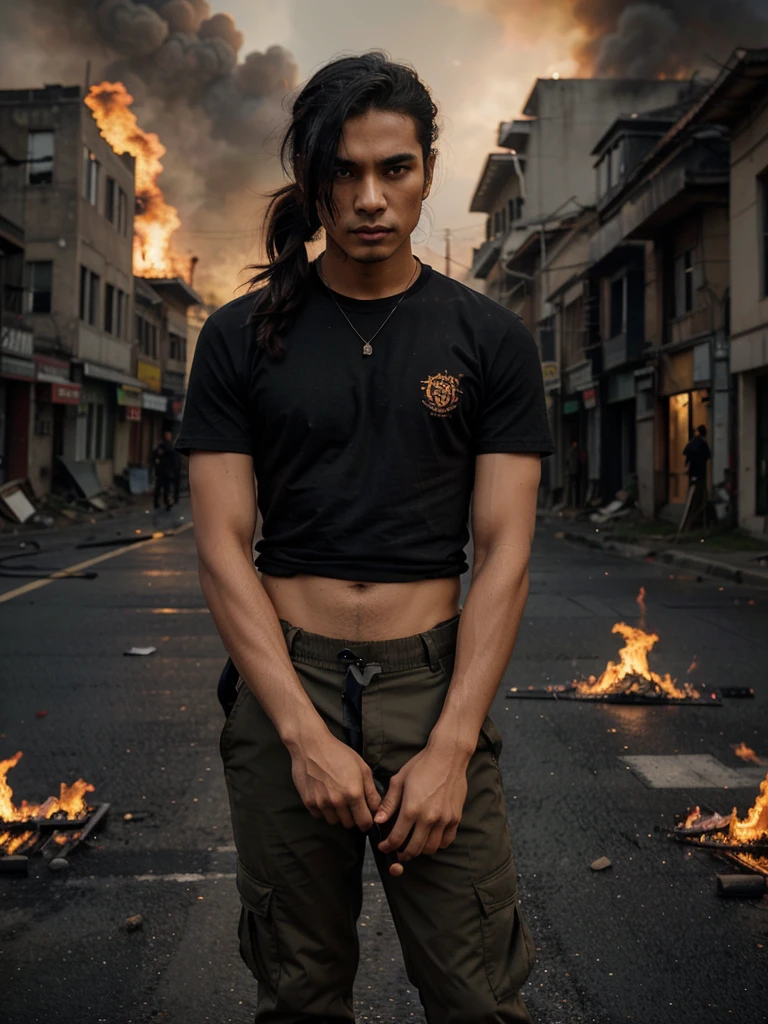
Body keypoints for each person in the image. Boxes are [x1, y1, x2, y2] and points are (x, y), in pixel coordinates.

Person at [177, 52, 553, 1024]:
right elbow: (221, 545)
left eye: (394, 169)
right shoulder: (238, 336)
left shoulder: (489, 339)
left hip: (429, 683)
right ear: (311, 178)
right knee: (299, 994)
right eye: (344, 172)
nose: (371, 197)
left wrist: (452, 744)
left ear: (427, 168)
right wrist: (301, 733)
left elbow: (505, 550)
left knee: (477, 995)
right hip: (284, 685)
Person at [683, 424, 711, 528]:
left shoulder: (693, 443)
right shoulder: (703, 444)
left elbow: (687, 456)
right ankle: (700, 519)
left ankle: (692, 519)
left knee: (692, 494)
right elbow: (707, 456)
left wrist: (687, 465)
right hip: (700, 473)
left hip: (693, 472)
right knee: (701, 494)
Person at [152, 430, 175, 511]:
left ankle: (164, 503)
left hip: (166, 470)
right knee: (162, 487)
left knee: (164, 488)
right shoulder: (163, 445)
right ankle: (160, 503)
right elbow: (156, 455)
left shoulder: (165, 445)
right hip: (163, 470)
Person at [565, 440, 580, 507]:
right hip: (572, 472)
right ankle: (570, 504)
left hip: (574, 472)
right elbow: (568, 462)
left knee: (573, 488)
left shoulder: (573, 453)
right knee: (571, 488)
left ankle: (573, 504)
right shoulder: (571, 453)